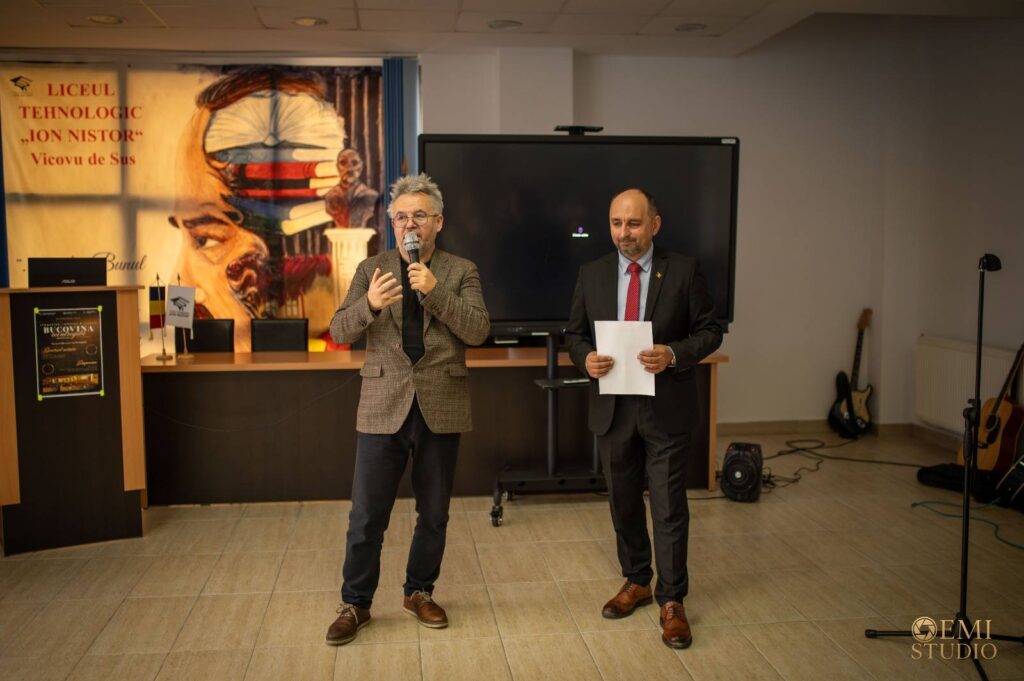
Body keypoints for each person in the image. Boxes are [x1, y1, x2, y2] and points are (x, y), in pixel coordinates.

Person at [325, 173, 490, 646]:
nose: (409, 224)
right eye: (401, 217)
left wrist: (436, 292)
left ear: (438, 221)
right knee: (366, 516)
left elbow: (478, 331)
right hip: (383, 404)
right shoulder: (371, 269)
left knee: (434, 513)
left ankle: (419, 591)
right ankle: (355, 603)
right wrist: (369, 305)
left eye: (419, 215)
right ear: (392, 223)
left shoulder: (461, 270)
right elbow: (339, 330)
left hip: (441, 402)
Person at [565, 188, 722, 649]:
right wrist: (585, 358)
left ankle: (672, 600)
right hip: (613, 407)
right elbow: (574, 334)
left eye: (633, 224)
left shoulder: (684, 270)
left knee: (669, 506)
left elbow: (710, 331)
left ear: (654, 224)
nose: (624, 233)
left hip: (665, 406)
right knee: (623, 502)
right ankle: (637, 580)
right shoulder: (592, 273)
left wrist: (673, 353)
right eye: (616, 223)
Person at [324, 148, 380, 230]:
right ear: (337, 167)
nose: (349, 168)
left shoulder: (372, 195)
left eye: (354, 163)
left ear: (360, 167)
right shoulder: (330, 196)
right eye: (343, 163)